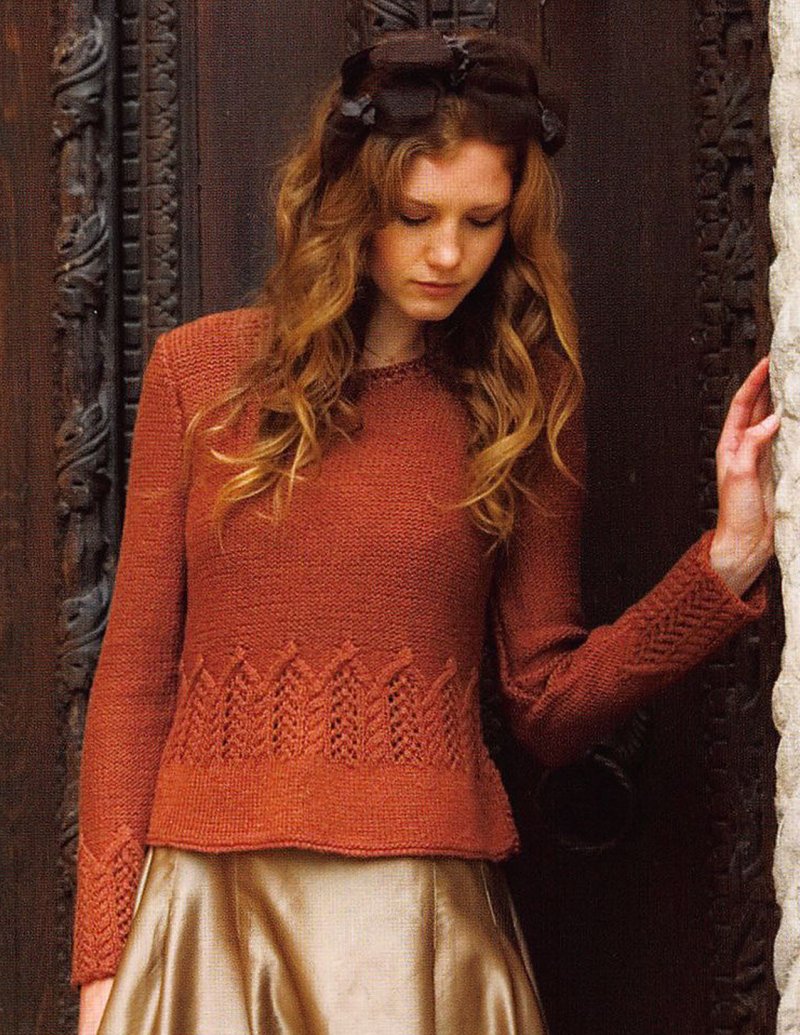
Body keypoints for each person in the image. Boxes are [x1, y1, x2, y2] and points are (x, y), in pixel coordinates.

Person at [72, 25, 777, 1035]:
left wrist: (724, 563)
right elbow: (134, 681)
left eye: (481, 220)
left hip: (413, 925)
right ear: (350, 204)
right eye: (415, 215)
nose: (448, 253)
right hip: (200, 915)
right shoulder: (201, 373)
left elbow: (546, 704)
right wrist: (106, 955)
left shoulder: (523, 400)